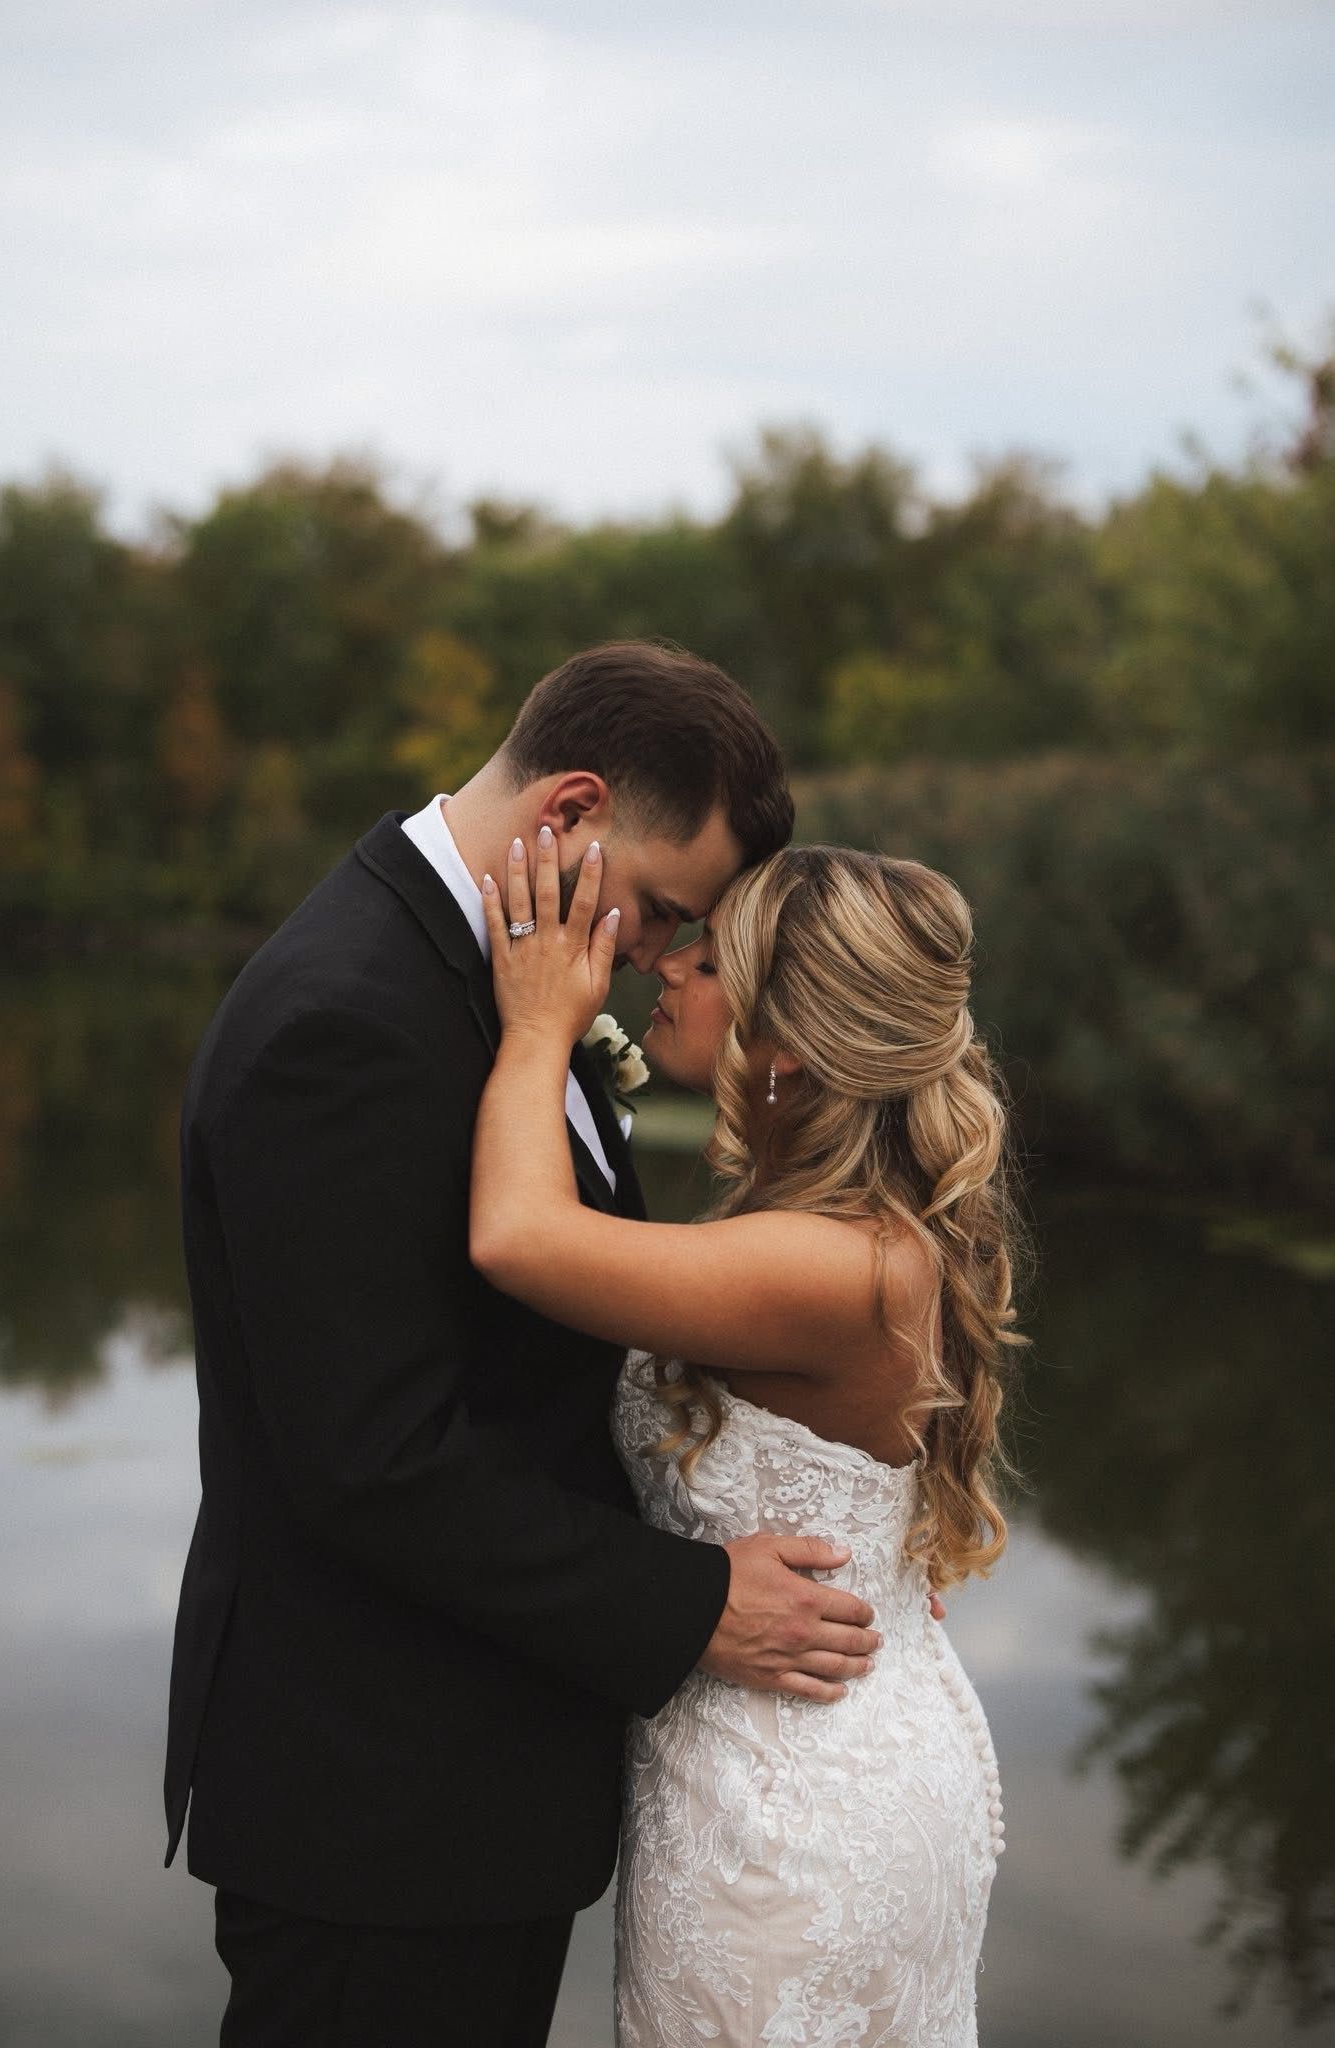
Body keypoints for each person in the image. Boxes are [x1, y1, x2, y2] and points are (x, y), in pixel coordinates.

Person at [163, 641, 890, 2048]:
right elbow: (372, 1458)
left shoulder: (508, 981)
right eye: (668, 909)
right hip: (375, 1811)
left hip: (471, 1788)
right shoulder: (346, 1021)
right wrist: (688, 1604)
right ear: (568, 813)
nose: (663, 960)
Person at [470, 827, 1024, 2045]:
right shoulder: (853, 1233)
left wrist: (532, 1027)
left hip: (788, 1809)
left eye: (707, 959)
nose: (660, 964)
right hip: (832, 1735)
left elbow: (514, 1235)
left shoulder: (821, 1262)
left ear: (786, 1038)